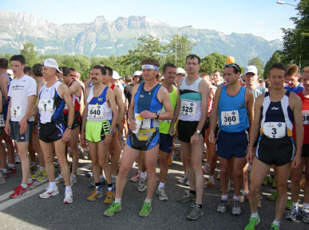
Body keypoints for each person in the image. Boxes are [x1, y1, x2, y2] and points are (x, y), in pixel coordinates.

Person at [104, 57, 172, 217]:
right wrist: (130, 120)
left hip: (151, 136)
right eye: (144, 69)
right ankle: (117, 202)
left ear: (156, 72)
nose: (145, 72)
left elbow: (169, 113)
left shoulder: (161, 90)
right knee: (124, 168)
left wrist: (154, 115)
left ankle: (147, 202)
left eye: (149, 70)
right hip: (135, 135)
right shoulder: (136, 88)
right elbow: (131, 108)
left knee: (150, 171)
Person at [245, 63, 303, 230]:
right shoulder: (261, 99)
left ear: (284, 78)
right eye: (274, 77)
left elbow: (298, 127)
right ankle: (254, 216)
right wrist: (251, 148)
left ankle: (276, 222)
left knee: (282, 186)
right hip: (265, 146)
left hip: (284, 148)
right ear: (268, 78)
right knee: (254, 186)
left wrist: (298, 153)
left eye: (280, 77)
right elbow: (255, 124)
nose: (277, 80)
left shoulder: (293, 99)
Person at [209, 63, 254, 216]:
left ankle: (236, 197)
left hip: (240, 136)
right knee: (223, 170)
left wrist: (252, 142)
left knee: (237, 172)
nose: (226, 77)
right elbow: (214, 111)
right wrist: (212, 131)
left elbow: (252, 118)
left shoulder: (246, 93)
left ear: (238, 75)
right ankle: (223, 197)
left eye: (229, 74)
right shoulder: (220, 91)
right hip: (224, 135)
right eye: (225, 74)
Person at [175, 54, 210, 221]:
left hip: (195, 126)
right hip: (182, 124)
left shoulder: (202, 84)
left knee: (196, 165)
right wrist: (175, 124)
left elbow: (204, 111)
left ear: (198, 66)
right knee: (187, 161)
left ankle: (199, 204)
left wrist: (198, 132)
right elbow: (179, 105)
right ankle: (191, 191)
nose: (190, 66)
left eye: (194, 64)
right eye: (188, 63)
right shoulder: (181, 82)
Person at [37, 58, 74, 204]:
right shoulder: (42, 87)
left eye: (46, 69)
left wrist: (69, 129)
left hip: (57, 127)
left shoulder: (61, 87)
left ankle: (68, 189)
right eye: (43, 69)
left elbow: (71, 108)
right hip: (43, 127)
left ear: (54, 71)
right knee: (47, 159)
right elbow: (38, 107)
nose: (43, 71)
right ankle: (52, 186)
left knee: (61, 159)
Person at [81, 65, 118, 203]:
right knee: (94, 161)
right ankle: (97, 188)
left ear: (102, 76)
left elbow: (116, 112)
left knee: (103, 161)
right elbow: (86, 111)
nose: (93, 76)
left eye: (96, 74)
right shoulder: (88, 90)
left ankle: (110, 190)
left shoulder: (108, 91)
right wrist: (82, 130)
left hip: (103, 126)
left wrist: (111, 131)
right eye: (91, 74)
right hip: (90, 126)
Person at [5, 55, 37, 198]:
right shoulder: (12, 82)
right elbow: (11, 103)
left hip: (24, 121)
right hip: (14, 120)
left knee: (23, 153)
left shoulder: (29, 81)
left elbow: (31, 103)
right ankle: (28, 179)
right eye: (12, 65)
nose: (14, 68)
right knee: (20, 151)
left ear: (23, 66)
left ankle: (24, 183)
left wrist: (24, 120)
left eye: (17, 65)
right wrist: (7, 122)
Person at [286, 66, 309, 223]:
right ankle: (294, 206)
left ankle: (306, 208)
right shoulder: (295, 98)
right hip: (296, 143)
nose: (307, 82)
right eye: (305, 79)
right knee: (295, 177)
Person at [157, 63, 178, 201]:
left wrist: (172, 127)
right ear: (163, 74)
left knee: (164, 160)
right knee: (149, 159)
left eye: (174, 73)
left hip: (167, 131)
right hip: (153, 129)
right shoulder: (157, 89)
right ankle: (144, 177)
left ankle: (161, 187)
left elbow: (176, 110)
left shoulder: (176, 91)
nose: (172, 75)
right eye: (169, 73)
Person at [62, 67, 83, 185]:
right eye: (71, 76)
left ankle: (74, 173)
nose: (74, 78)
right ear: (64, 77)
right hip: (62, 117)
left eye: (74, 75)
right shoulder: (61, 84)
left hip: (74, 117)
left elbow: (64, 93)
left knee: (73, 147)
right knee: (62, 148)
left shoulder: (76, 84)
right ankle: (64, 171)